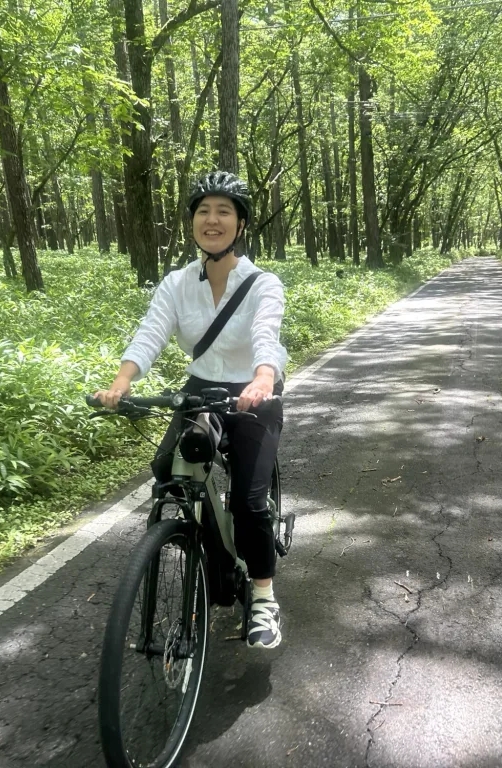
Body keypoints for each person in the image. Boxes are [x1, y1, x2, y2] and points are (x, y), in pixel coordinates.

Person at [95, 171, 288, 649]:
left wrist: (264, 376)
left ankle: (263, 597)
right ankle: (210, 555)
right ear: (192, 223)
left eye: (224, 211)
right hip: (202, 389)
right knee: (168, 472)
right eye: (203, 211)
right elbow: (150, 332)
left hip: (253, 391)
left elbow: (266, 333)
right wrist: (121, 381)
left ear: (241, 224)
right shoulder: (177, 283)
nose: (212, 219)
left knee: (248, 502)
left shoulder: (263, 283)